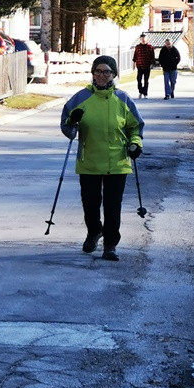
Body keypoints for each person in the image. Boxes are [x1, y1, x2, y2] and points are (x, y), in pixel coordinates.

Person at [60, 56, 144, 262]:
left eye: (107, 72)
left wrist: (136, 144)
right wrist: (73, 120)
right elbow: (67, 128)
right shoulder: (80, 98)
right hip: (89, 161)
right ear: (92, 74)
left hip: (118, 162)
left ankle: (110, 245)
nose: (102, 76)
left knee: (112, 206)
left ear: (114, 75)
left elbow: (135, 127)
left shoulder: (123, 99)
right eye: (98, 71)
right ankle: (94, 231)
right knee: (90, 204)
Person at [132, 33, 155, 98]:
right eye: (142, 39)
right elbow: (135, 56)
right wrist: (133, 65)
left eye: (144, 39)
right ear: (140, 39)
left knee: (146, 80)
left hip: (147, 66)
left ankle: (145, 93)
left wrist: (152, 64)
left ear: (146, 39)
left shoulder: (150, 47)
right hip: (139, 66)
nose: (143, 40)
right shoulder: (137, 47)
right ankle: (140, 91)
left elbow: (152, 57)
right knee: (139, 79)